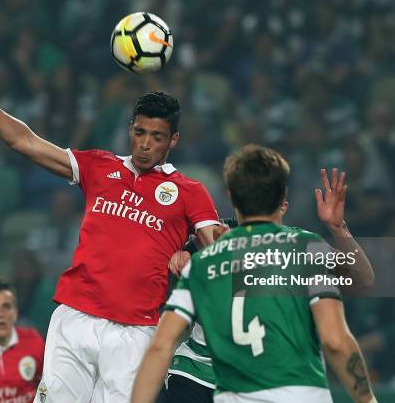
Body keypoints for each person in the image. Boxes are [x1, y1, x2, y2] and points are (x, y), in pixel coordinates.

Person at [0, 68, 220, 403]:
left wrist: (191, 252)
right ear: (130, 129)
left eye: (157, 136)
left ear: (173, 140)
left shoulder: (190, 192)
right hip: (75, 317)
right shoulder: (98, 166)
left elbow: (217, 245)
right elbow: (24, 141)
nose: (145, 144)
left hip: (136, 331)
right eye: (139, 132)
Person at [133, 144, 377, 403]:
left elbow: (161, 344)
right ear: (282, 198)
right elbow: (359, 288)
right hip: (241, 377)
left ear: (232, 198)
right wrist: (339, 230)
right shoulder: (305, 248)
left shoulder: (208, 254)